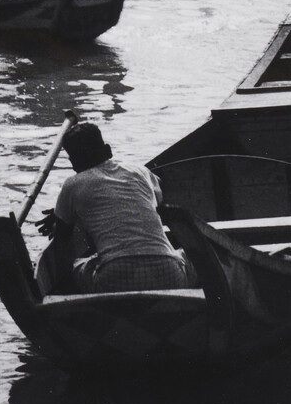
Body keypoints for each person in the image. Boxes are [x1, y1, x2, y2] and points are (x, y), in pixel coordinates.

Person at [36, 122, 196, 295]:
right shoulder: (140, 171)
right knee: (193, 257)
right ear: (107, 150)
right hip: (169, 274)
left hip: (113, 278)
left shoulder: (72, 184)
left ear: (73, 161)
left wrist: (64, 215)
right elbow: (159, 196)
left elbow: (61, 239)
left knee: (77, 266)